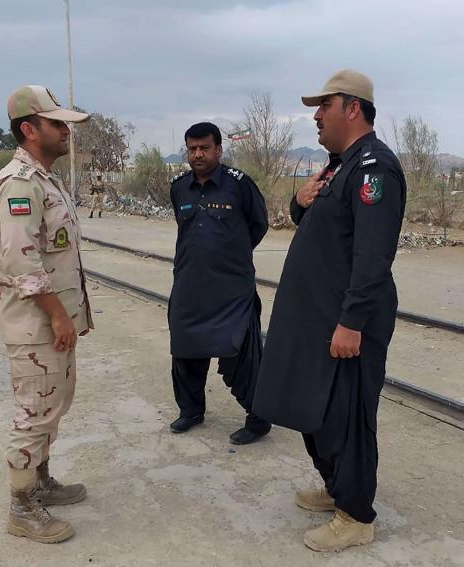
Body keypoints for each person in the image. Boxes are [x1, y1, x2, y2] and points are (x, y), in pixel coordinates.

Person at [253, 70, 407, 552]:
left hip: (345, 322)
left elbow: (372, 256)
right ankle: (336, 486)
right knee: (314, 408)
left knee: (348, 415)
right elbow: (322, 222)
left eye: (325, 105)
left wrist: (352, 322)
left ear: (353, 108)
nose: (316, 115)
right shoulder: (338, 165)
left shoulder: (373, 169)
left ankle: (356, 514)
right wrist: (298, 203)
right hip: (316, 317)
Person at [0, 85, 93, 543]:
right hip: (36, 325)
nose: (65, 130)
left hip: (53, 323)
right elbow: (21, 261)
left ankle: (41, 481)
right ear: (29, 129)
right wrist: (57, 315)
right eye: (56, 123)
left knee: (53, 405)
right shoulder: (20, 183)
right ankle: (21, 507)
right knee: (33, 414)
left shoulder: (46, 179)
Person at [168, 122, 271, 445]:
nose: (198, 154)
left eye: (204, 148)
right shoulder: (179, 187)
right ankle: (191, 410)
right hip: (189, 285)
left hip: (231, 289)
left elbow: (258, 224)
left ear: (219, 150)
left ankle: (259, 418)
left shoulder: (238, 185)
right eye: (192, 148)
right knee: (185, 350)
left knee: (242, 354)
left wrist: (230, 255)